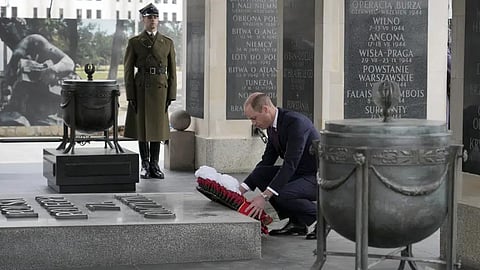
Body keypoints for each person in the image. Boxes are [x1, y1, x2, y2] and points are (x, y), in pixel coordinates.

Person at [240, 92, 320, 240]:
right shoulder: (272, 126)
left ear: (265, 109)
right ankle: (297, 223)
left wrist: (264, 197)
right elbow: (267, 161)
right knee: (261, 173)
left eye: (253, 118)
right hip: (298, 173)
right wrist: (240, 190)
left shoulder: (296, 123)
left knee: (281, 194)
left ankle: (323, 217)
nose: (253, 123)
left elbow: (290, 163)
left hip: (315, 177)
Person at [123, 3, 177, 179]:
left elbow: (172, 70)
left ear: (158, 20)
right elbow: (128, 70)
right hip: (141, 89)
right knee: (143, 129)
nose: (152, 20)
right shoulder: (135, 42)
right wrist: (130, 94)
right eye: (149, 17)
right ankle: (145, 165)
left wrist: (172, 94)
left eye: (155, 17)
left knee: (158, 129)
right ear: (143, 20)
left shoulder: (167, 42)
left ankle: (155, 165)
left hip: (160, 89)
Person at [1, 33, 78, 126]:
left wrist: (54, 70)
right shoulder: (14, 65)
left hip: (51, 103)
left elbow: (69, 62)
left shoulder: (36, 42)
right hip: (28, 110)